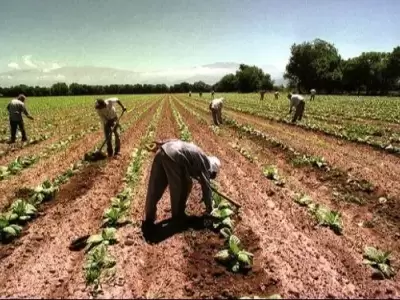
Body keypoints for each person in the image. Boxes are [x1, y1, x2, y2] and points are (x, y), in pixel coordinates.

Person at [143, 139, 221, 227]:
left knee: (154, 187)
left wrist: (161, 144)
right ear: (212, 170)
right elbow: (206, 187)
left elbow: (177, 142)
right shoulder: (206, 164)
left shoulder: (198, 155)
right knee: (181, 188)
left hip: (162, 150)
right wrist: (209, 209)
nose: (210, 177)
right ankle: (178, 218)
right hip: (174, 158)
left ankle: (149, 217)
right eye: (212, 175)